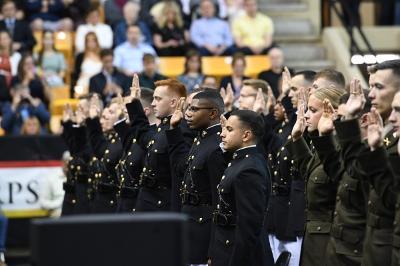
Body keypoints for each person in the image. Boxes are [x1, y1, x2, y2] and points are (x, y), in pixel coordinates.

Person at [332, 60, 400, 266]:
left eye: (379, 87)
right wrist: (349, 120)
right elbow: (354, 174)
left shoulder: (391, 138)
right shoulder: (384, 134)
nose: (370, 95)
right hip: (371, 248)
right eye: (371, 87)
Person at [286, 86, 346, 266]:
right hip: (314, 235)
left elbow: (335, 177)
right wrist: (297, 139)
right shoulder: (320, 144)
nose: (305, 115)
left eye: (312, 110)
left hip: (328, 239)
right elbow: (311, 175)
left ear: (331, 112)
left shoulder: (340, 147)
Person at [166, 89, 227, 264]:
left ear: (213, 113)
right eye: (188, 108)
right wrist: (173, 129)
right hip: (191, 224)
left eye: (194, 109)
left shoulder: (217, 145)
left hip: (204, 230)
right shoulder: (201, 139)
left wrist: (214, 247)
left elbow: (219, 202)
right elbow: (180, 168)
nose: (187, 113)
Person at [211, 109, 272, 266]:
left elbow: (248, 228)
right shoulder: (241, 161)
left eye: (229, 129)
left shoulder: (249, 169)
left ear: (246, 135)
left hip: (237, 255)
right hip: (225, 248)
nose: (222, 134)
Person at [131, 79, 191, 212]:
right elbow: (142, 135)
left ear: (173, 102)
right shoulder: (162, 127)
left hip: (162, 204)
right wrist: (134, 104)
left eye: (158, 99)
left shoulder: (181, 128)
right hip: (147, 201)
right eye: (153, 99)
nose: (152, 104)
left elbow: (180, 171)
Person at [39, 150, 68, 217]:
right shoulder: (51, 178)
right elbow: (43, 202)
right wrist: (60, 203)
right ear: (62, 162)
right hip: (57, 218)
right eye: (66, 161)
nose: (68, 165)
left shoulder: (79, 179)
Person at [73, 32, 102, 96]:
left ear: (97, 42)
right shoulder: (80, 56)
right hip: (84, 81)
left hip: (99, 81)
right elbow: (76, 73)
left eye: (93, 40)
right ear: (85, 43)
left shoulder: (101, 55)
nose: (91, 43)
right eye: (88, 41)